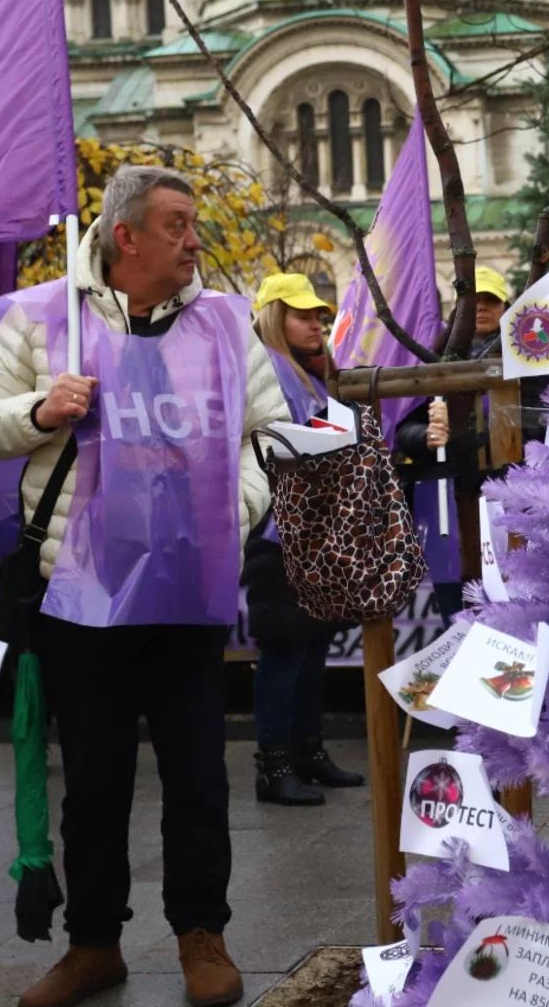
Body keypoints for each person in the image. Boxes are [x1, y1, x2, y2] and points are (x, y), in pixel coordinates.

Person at [0, 167, 289, 1007]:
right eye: (178, 225)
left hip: (186, 588)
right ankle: (93, 943)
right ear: (126, 237)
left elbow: (269, 435)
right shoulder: (40, 318)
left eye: (194, 226)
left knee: (197, 773)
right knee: (97, 779)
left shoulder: (224, 325)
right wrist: (42, 410)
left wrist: (236, 509)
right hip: (77, 595)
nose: (194, 242)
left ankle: (201, 933)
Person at [246, 273, 363, 804]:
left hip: (310, 532)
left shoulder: (308, 374)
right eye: (302, 315)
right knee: (286, 651)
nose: (317, 323)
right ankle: (274, 765)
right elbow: (273, 445)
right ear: (274, 317)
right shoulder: (267, 369)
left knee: (313, 646)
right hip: (278, 534)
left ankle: (306, 753)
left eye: (319, 315)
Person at [398, 267, 515, 627]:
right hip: (447, 504)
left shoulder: (528, 360)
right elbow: (403, 428)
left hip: (507, 504)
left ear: (504, 307)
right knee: (458, 615)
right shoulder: (432, 360)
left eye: (490, 300)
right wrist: (427, 435)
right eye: (473, 301)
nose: (481, 308)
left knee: (509, 611)